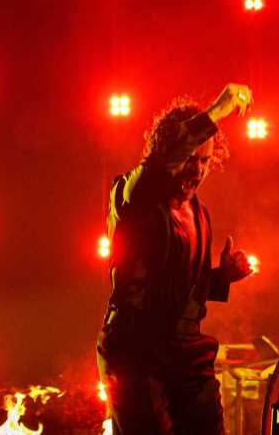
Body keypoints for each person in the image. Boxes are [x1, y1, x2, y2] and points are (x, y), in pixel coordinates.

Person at [96, 83, 255, 435]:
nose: (196, 170)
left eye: (204, 160)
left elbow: (183, 289)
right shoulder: (132, 192)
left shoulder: (200, 213)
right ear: (168, 151)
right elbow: (158, 167)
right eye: (188, 158)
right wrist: (214, 112)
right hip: (137, 348)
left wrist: (221, 276)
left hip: (188, 352)